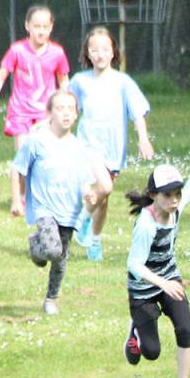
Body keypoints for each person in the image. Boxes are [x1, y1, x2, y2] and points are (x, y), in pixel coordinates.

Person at [123, 150, 190, 378]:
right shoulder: (146, 224)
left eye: (177, 194)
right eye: (168, 195)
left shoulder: (175, 208)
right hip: (144, 288)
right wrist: (163, 284)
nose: (175, 199)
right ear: (154, 195)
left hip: (169, 279)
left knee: (185, 328)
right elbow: (134, 264)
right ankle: (135, 332)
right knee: (152, 352)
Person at [10, 90, 111, 316]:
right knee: (53, 250)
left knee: (61, 260)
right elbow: (16, 169)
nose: (66, 113)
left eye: (71, 109)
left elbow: (84, 181)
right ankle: (37, 246)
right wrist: (17, 200)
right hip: (44, 208)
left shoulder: (78, 147)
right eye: (60, 108)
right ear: (50, 114)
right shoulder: (36, 141)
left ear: (76, 116)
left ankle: (51, 299)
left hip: (70, 210)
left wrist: (90, 194)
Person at [69, 26, 154, 262]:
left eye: (105, 49)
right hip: (88, 145)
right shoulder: (80, 81)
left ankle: (94, 242)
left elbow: (137, 112)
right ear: (87, 53)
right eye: (94, 50)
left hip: (114, 150)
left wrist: (143, 138)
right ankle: (82, 220)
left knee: (103, 200)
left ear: (114, 52)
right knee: (105, 187)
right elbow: (66, 108)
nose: (99, 54)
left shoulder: (123, 82)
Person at [0, 5, 70, 150]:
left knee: (44, 153)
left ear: (50, 28)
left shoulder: (57, 52)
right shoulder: (17, 50)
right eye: (37, 26)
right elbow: (1, 76)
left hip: (46, 112)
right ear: (27, 26)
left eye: (45, 27)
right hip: (20, 111)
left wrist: (64, 103)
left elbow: (63, 79)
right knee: (23, 156)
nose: (41, 31)